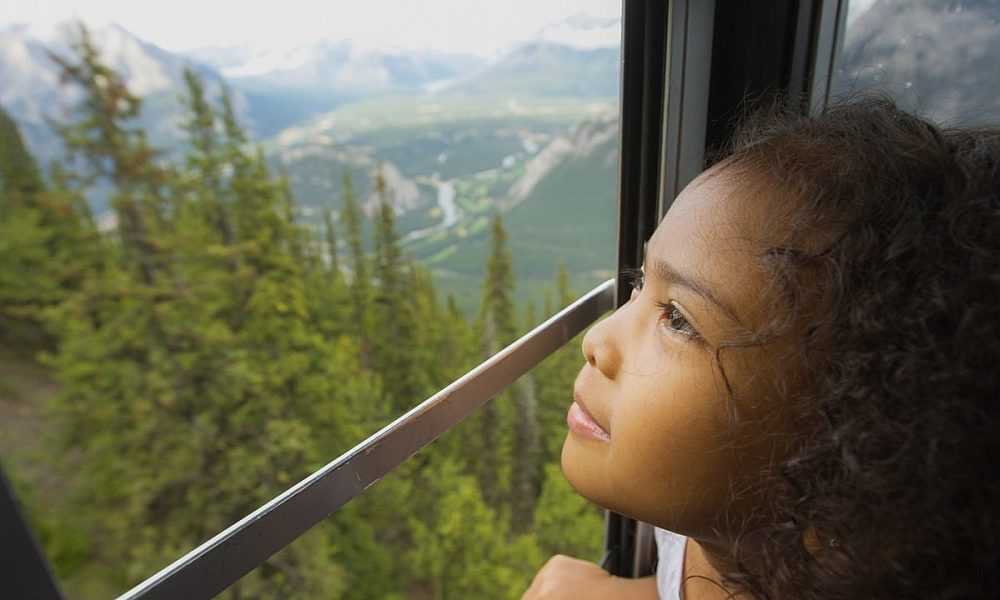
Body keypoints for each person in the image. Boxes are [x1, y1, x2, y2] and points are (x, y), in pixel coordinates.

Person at [522, 98, 1000, 599]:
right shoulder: (716, 523)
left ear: (842, 445)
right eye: (640, 281)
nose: (598, 339)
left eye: (679, 319)